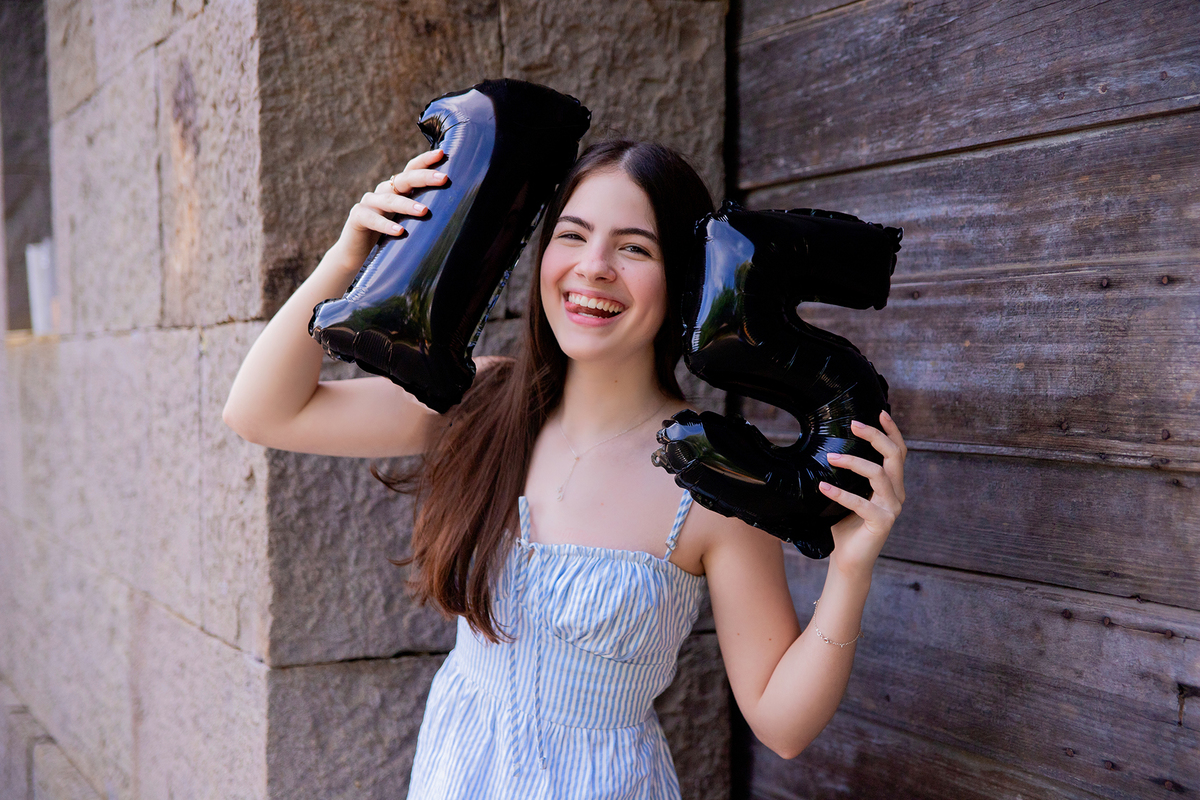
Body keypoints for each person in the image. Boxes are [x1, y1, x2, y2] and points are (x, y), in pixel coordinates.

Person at [222, 140, 907, 798]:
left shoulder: (713, 475)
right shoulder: (483, 402)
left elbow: (782, 724)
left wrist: (851, 568)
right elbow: (262, 412)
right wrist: (349, 256)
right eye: (572, 236)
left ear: (686, 277)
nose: (594, 267)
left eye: (634, 248)